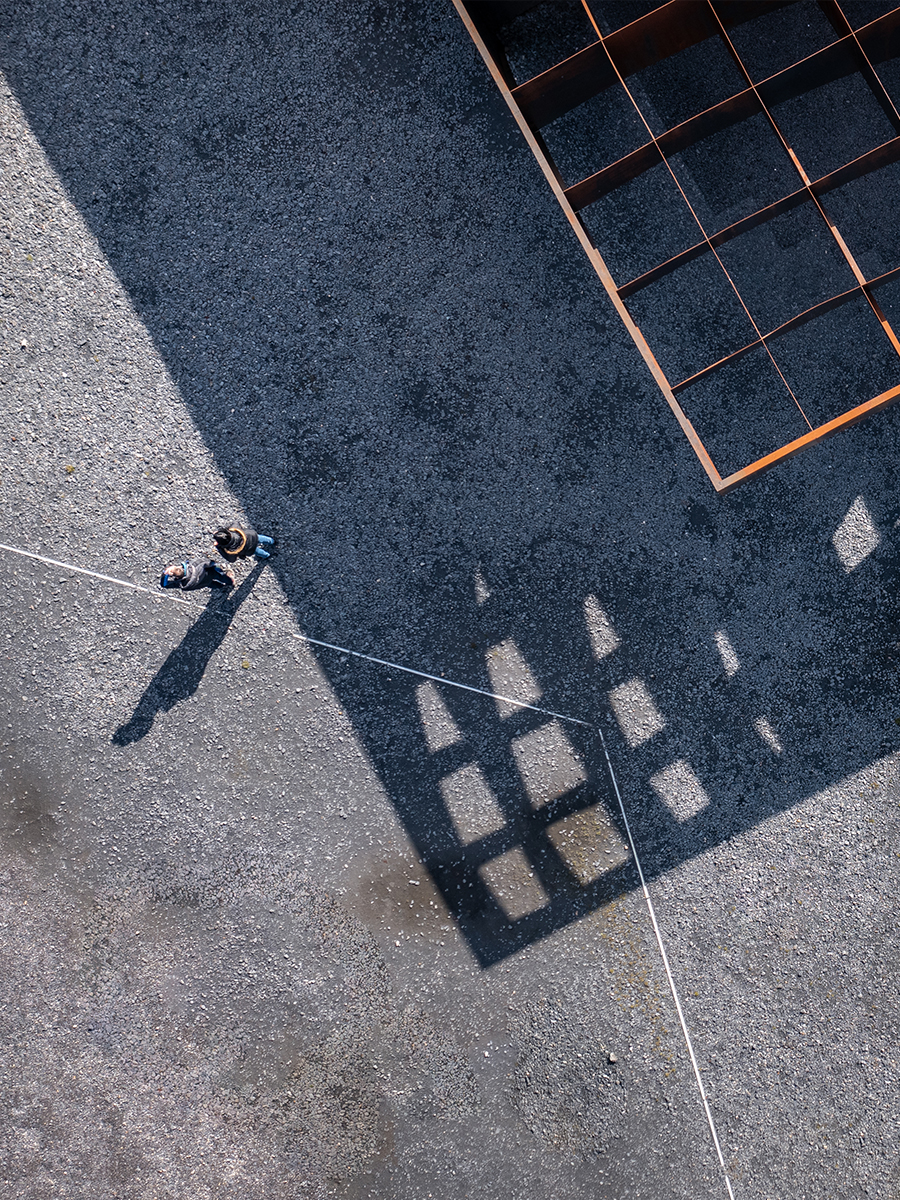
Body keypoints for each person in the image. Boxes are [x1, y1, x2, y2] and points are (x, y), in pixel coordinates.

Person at [159, 559, 235, 590]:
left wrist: (165, 575)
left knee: (212, 584)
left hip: (203, 583)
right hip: (211, 574)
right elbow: (211, 564)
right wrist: (221, 569)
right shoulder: (196, 565)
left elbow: (164, 585)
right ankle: (231, 582)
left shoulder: (181, 584)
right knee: (221, 577)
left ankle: (221, 587)